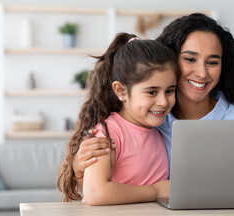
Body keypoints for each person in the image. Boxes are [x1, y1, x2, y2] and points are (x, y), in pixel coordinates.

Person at [70, 13, 234, 199]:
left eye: (212, 62)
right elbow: (96, 193)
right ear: (171, 61)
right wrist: (80, 169)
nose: (201, 73)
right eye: (190, 59)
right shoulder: (151, 121)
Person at [57, 32, 179, 205]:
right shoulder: (110, 133)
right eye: (152, 92)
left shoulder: (157, 130)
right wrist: (155, 191)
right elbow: (95, 192)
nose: (163, 101)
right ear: (121, 91)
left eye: (170, 91)